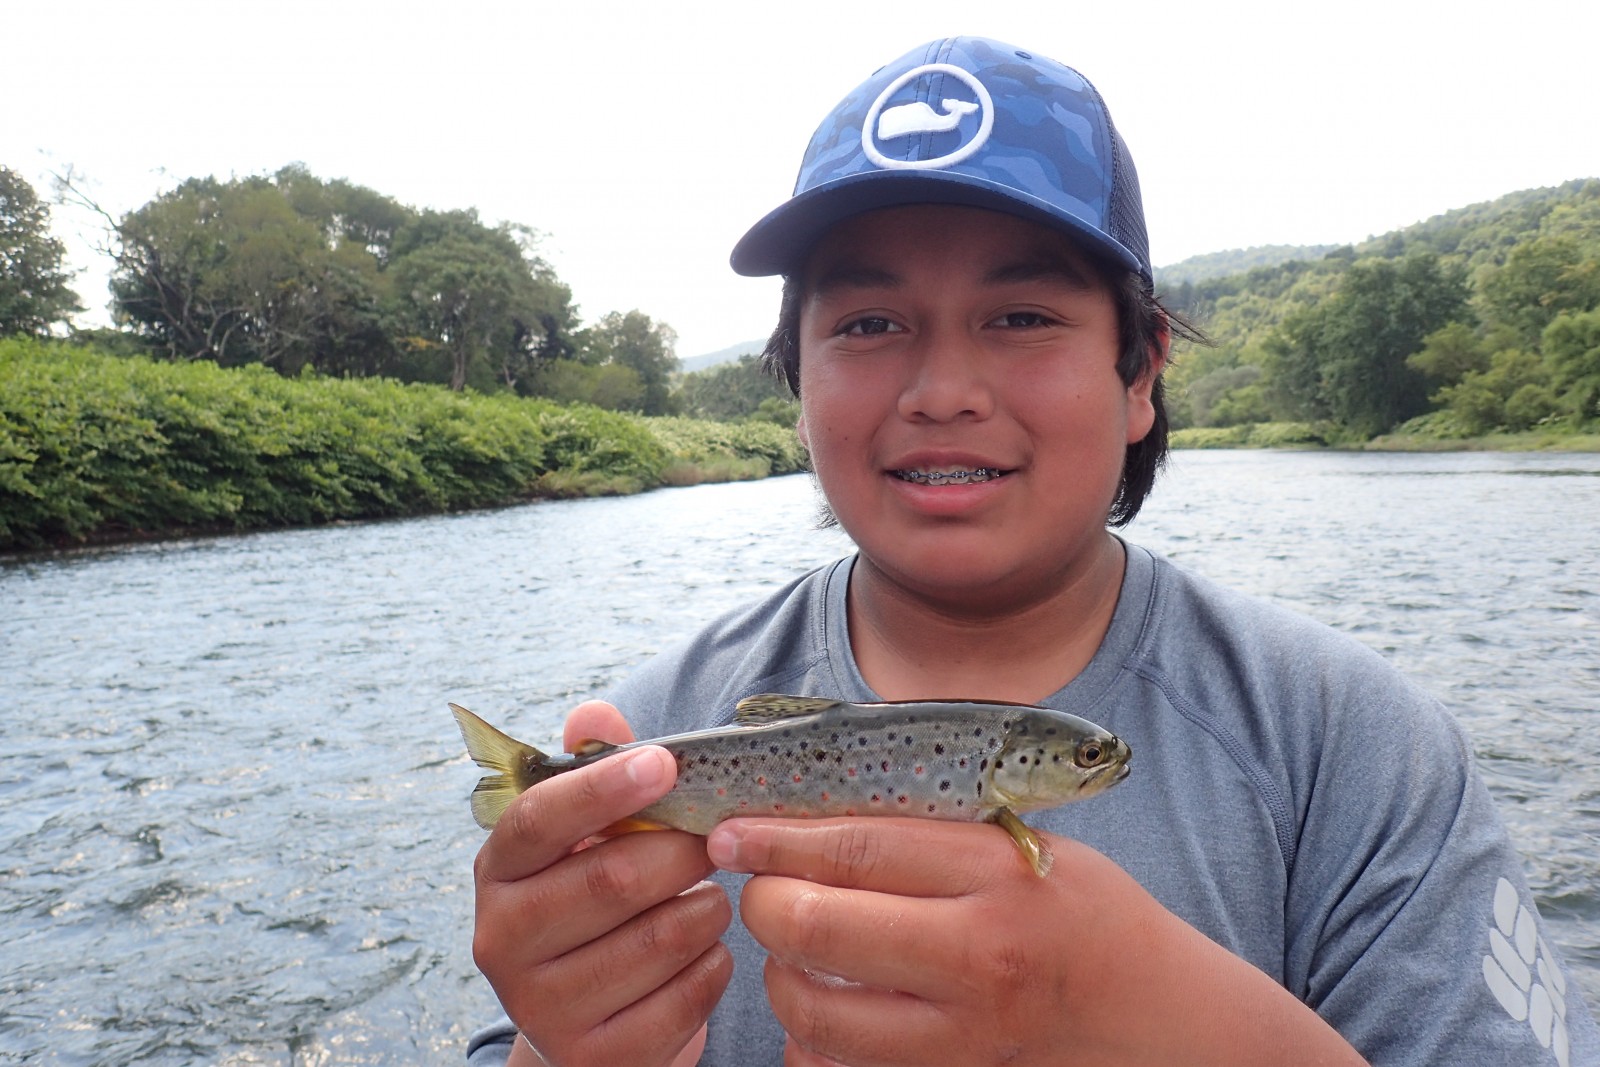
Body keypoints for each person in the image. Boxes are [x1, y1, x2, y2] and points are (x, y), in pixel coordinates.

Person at [464, 36, 1598, 1067]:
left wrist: (1178, 1020)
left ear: (1141, 370)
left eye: (1020, 317)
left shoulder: (1355, 750)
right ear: (794, 382)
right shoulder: (648, 739)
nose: (943, 391)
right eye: (867, 324)